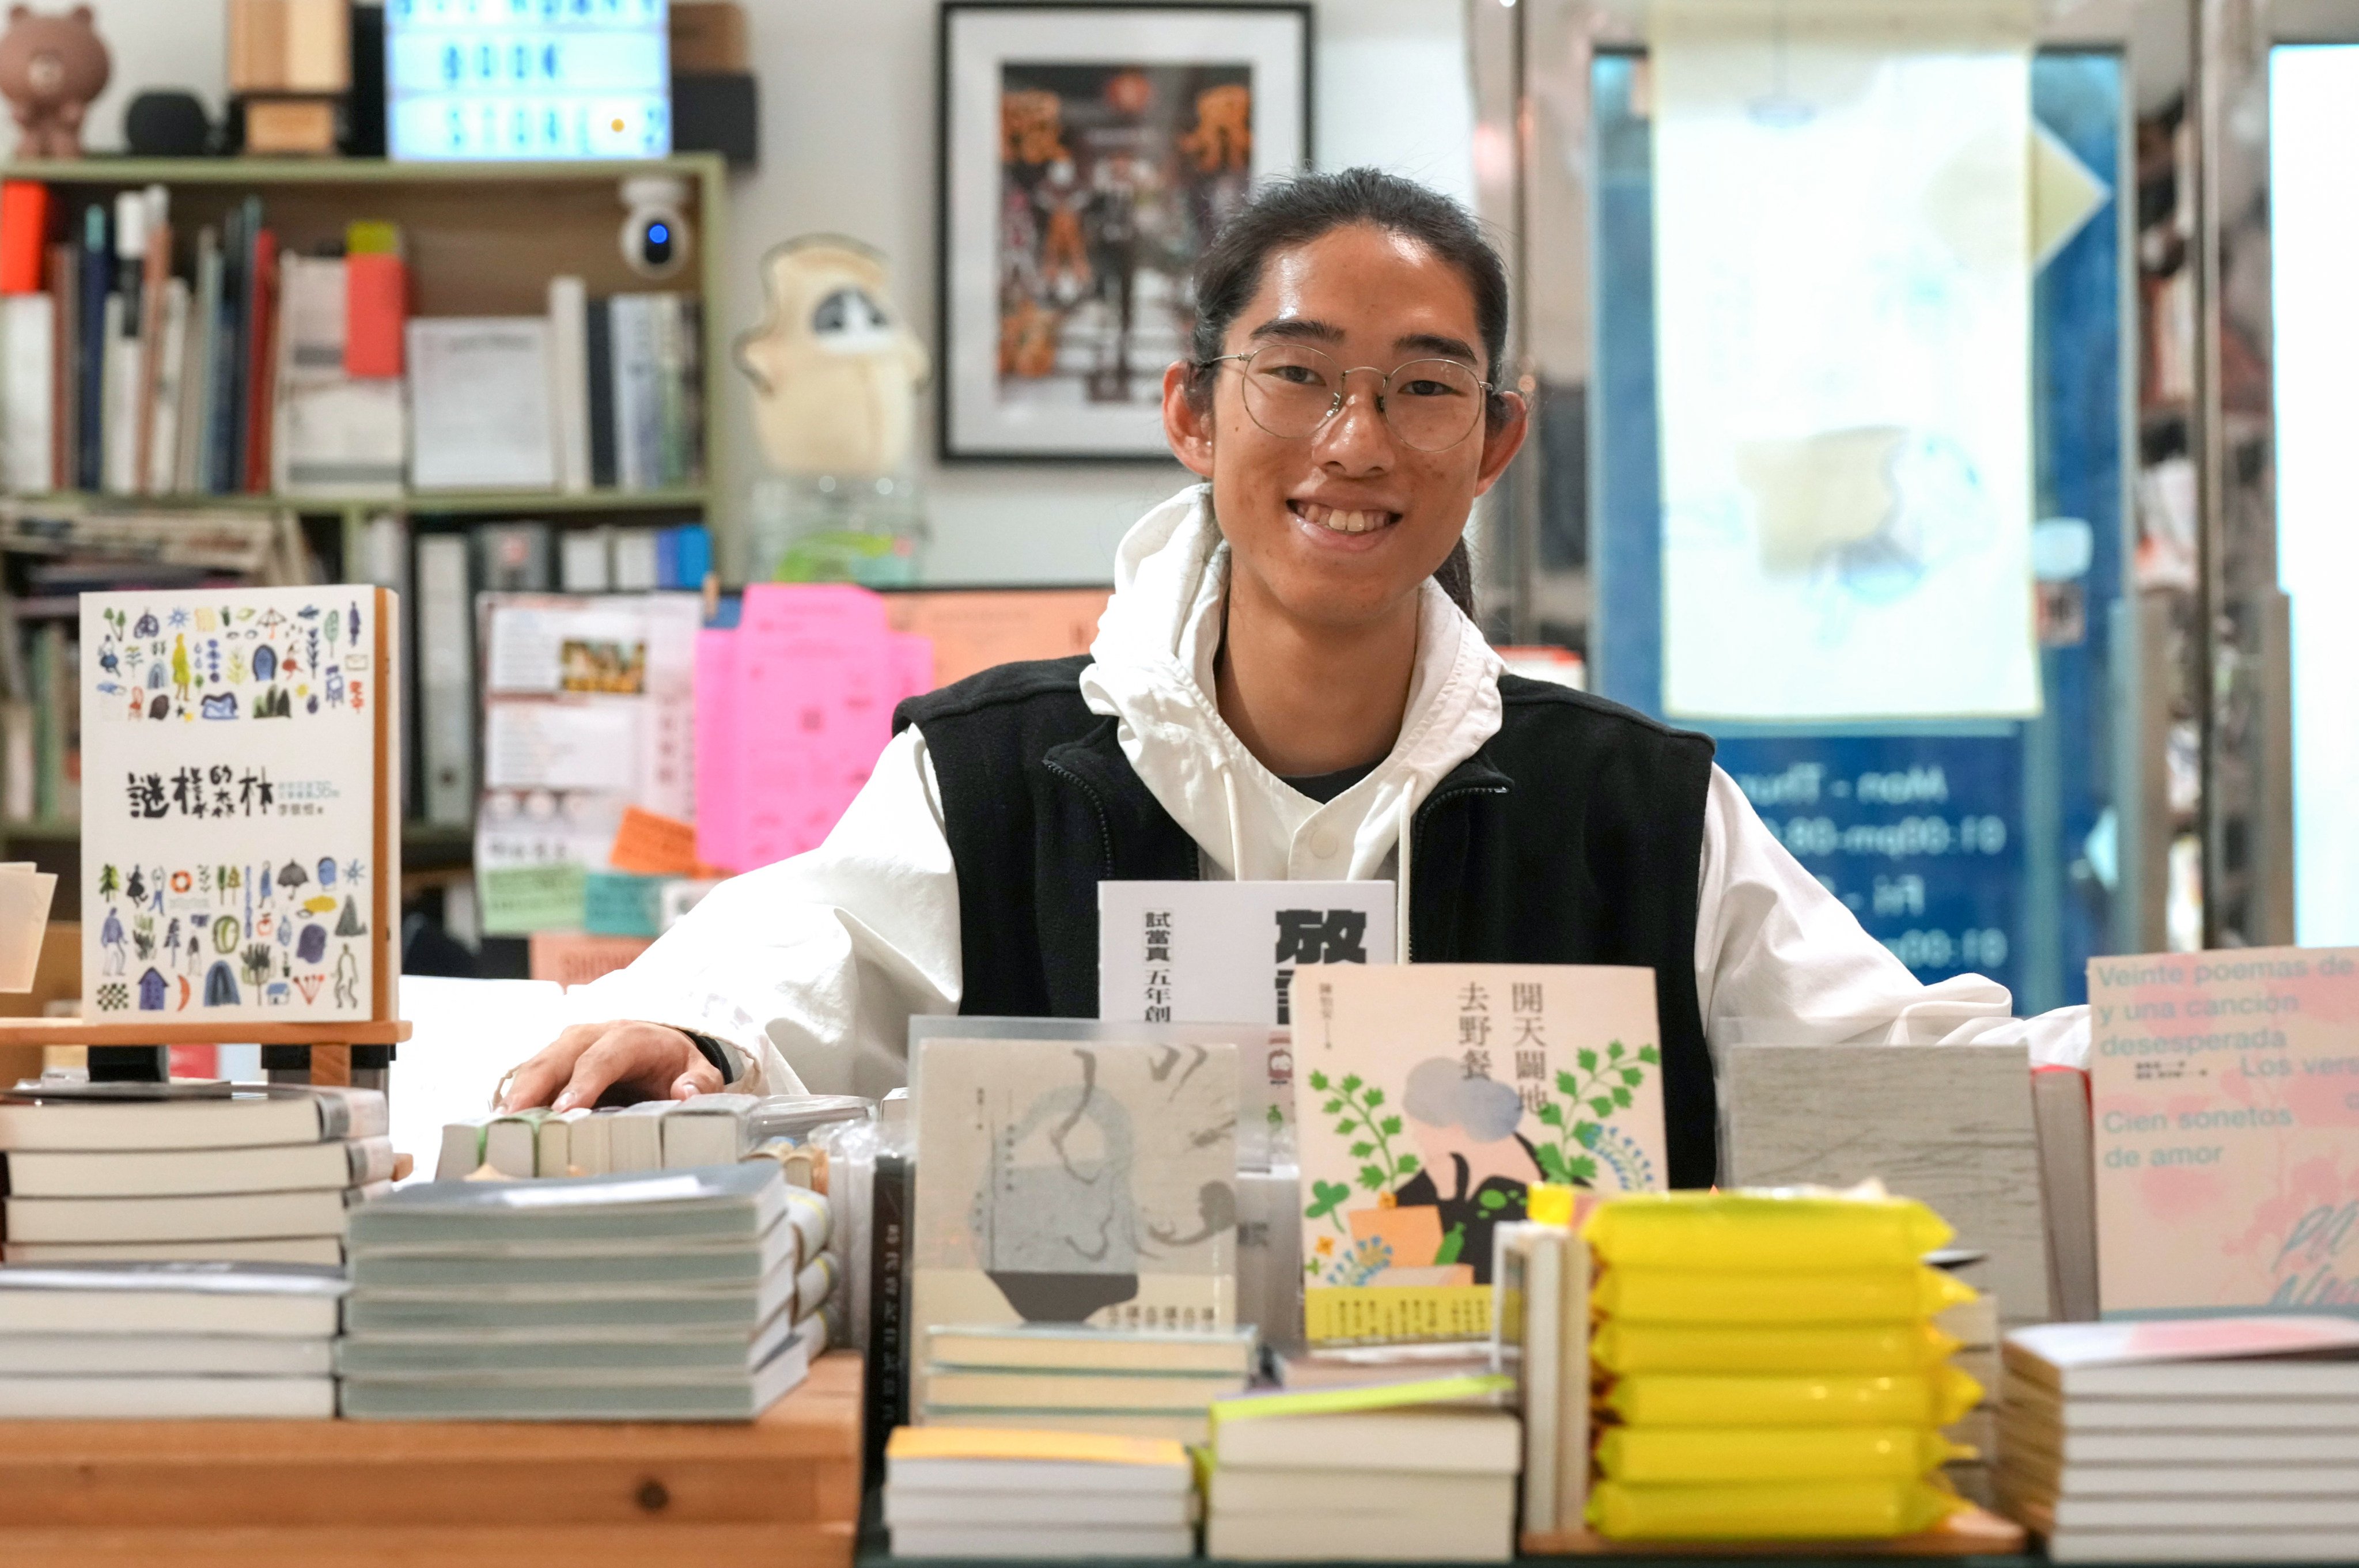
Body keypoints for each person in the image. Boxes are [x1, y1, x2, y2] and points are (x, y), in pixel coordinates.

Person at [498, 169, 2084, 1186]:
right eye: (1303, 376)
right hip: (1087, 1476)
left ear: (1494, 443)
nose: (1356, 441)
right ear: (1194, 412)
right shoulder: (998, 771)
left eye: (1421, 388)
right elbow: (793, 962)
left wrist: (2174, 1069)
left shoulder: (1636, 801)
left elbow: (1881, 1063)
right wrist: (680, 1027)